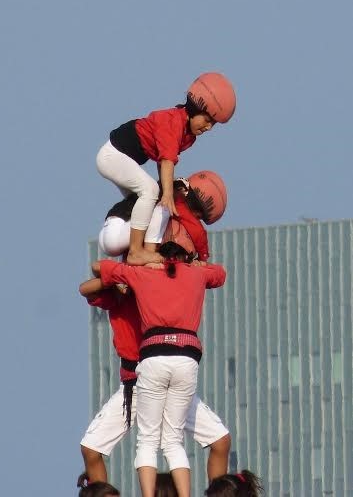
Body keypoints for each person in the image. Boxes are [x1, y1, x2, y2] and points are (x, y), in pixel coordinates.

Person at [80, 239, 226, 497]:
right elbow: (86, 288)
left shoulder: (153, 279)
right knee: (92, 449)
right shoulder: (128, 287)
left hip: (157, 368)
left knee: (219, 440)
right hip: (137, 382)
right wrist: (126, 273)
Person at [96, 72, 236, 265]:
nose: (209, 127)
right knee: (152, 192)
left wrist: (166, 188)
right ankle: (137, 252)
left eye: (213, 124)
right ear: (196, 108)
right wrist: (168, 193)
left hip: (124, 159)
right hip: (112, 156)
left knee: (146, 205)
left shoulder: (188, 135)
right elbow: (167, 160)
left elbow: (163, 161)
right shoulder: (173, 122)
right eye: (207, 119)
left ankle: (139, 255)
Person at [99, 170, 228, 263]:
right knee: (165, 208)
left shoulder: (170, 188)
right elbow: (196, 230)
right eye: (199, 216)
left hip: (116, 228)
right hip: (115, 234)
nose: (197, 219)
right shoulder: (174, 198)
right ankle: (146, 255)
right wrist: (203, 257)